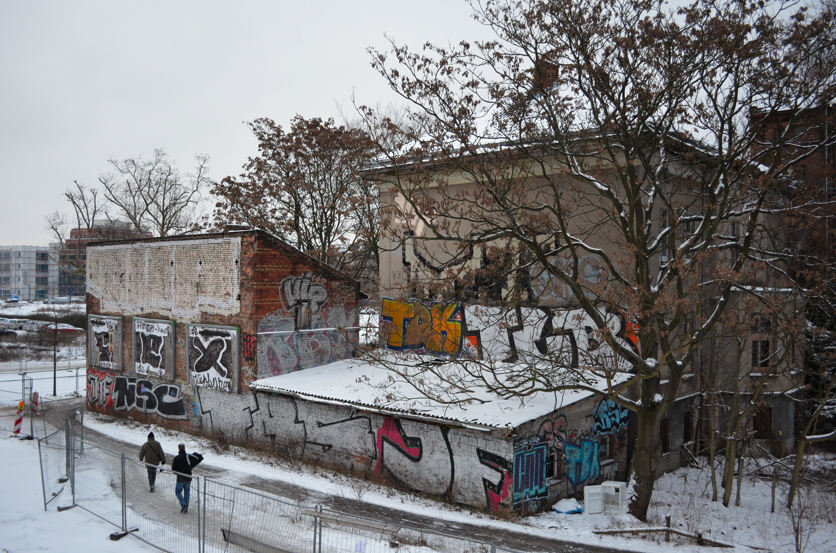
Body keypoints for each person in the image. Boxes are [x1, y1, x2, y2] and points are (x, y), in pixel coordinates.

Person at [171, 443, 203, 513]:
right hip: (188, 478)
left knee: (177, 492)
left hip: (180, 479)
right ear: (184, 448)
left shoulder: (176, 458)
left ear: (179, 449)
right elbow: (199, 458)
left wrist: (178, 472)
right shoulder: (189, 456)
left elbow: (173, 469)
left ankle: (183, 505)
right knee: (187, 493)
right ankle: (186, 508)